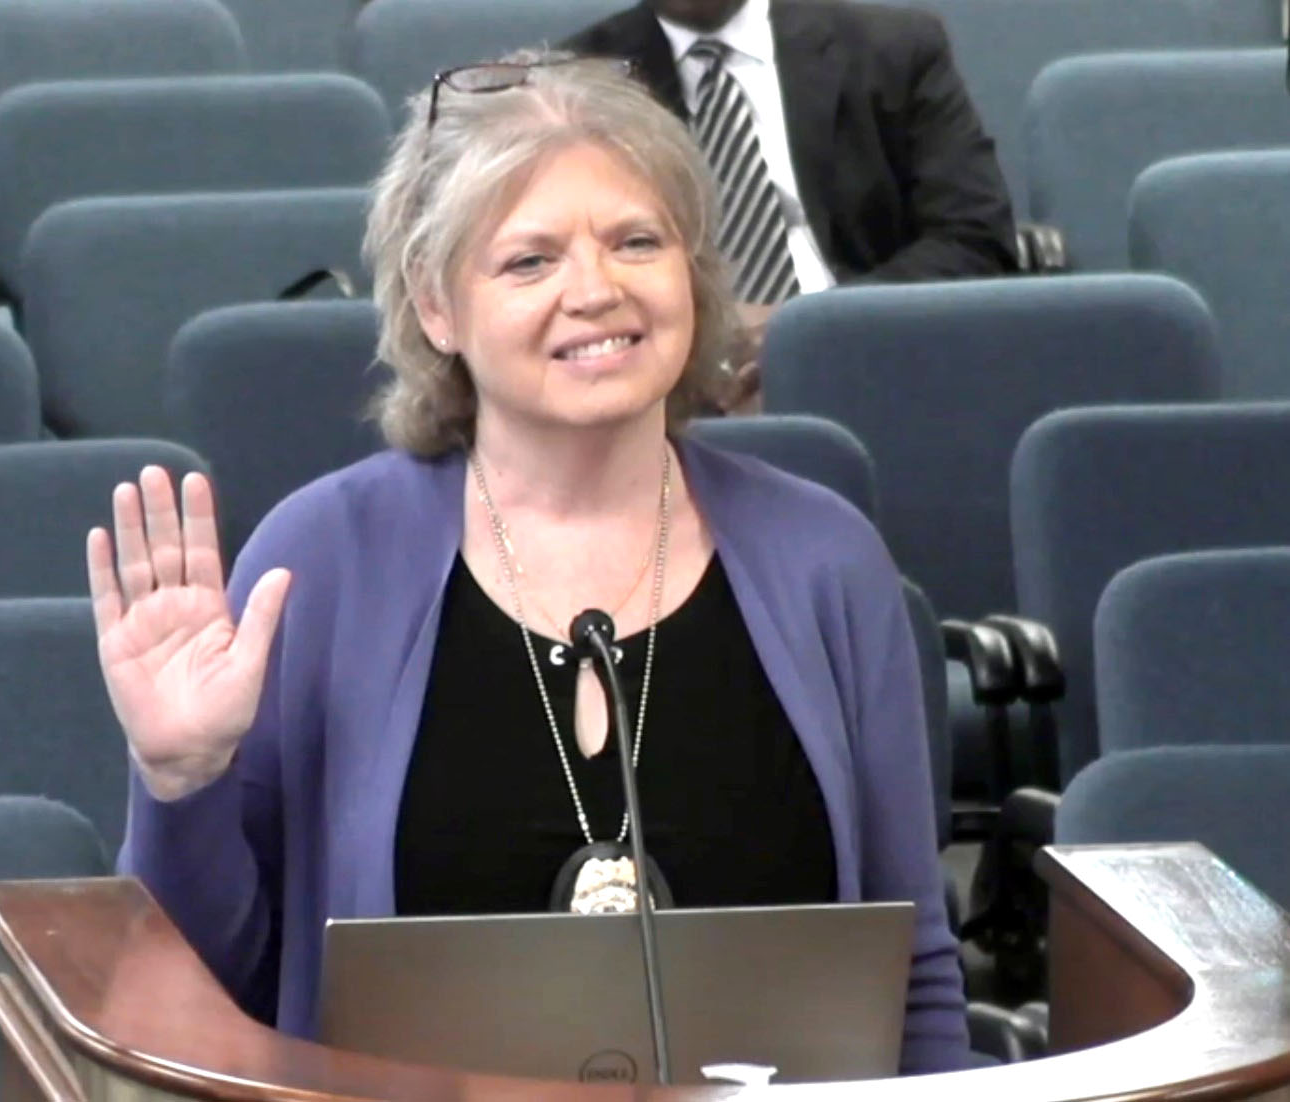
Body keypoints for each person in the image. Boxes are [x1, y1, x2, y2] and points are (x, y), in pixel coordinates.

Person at [89, 54, 970, 1075]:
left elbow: (916, 976)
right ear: (435, 306)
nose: (595, 291)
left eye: (637, 241)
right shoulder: (321, 563)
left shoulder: (827, 561)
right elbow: (210, 989)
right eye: (528, 261)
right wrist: (181, 777)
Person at [566, 0, 1018, 289]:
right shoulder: (580, 82)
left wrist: (812, 327)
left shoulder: (894, 50)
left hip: (859, 348)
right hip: (673, 376)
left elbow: (975, 240)